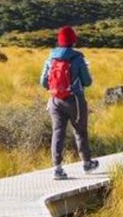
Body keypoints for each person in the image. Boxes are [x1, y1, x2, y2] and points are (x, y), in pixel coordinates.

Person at [40, 26, 99, 180]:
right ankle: (87, 163)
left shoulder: (51, 58)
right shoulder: (78, 58)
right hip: (75, 100)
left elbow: (43, 82)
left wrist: (57, 89)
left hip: (55, 101)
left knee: (58, 132)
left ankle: (57, 168)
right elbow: (87, 81)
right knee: (80, 132)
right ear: (73, 41)